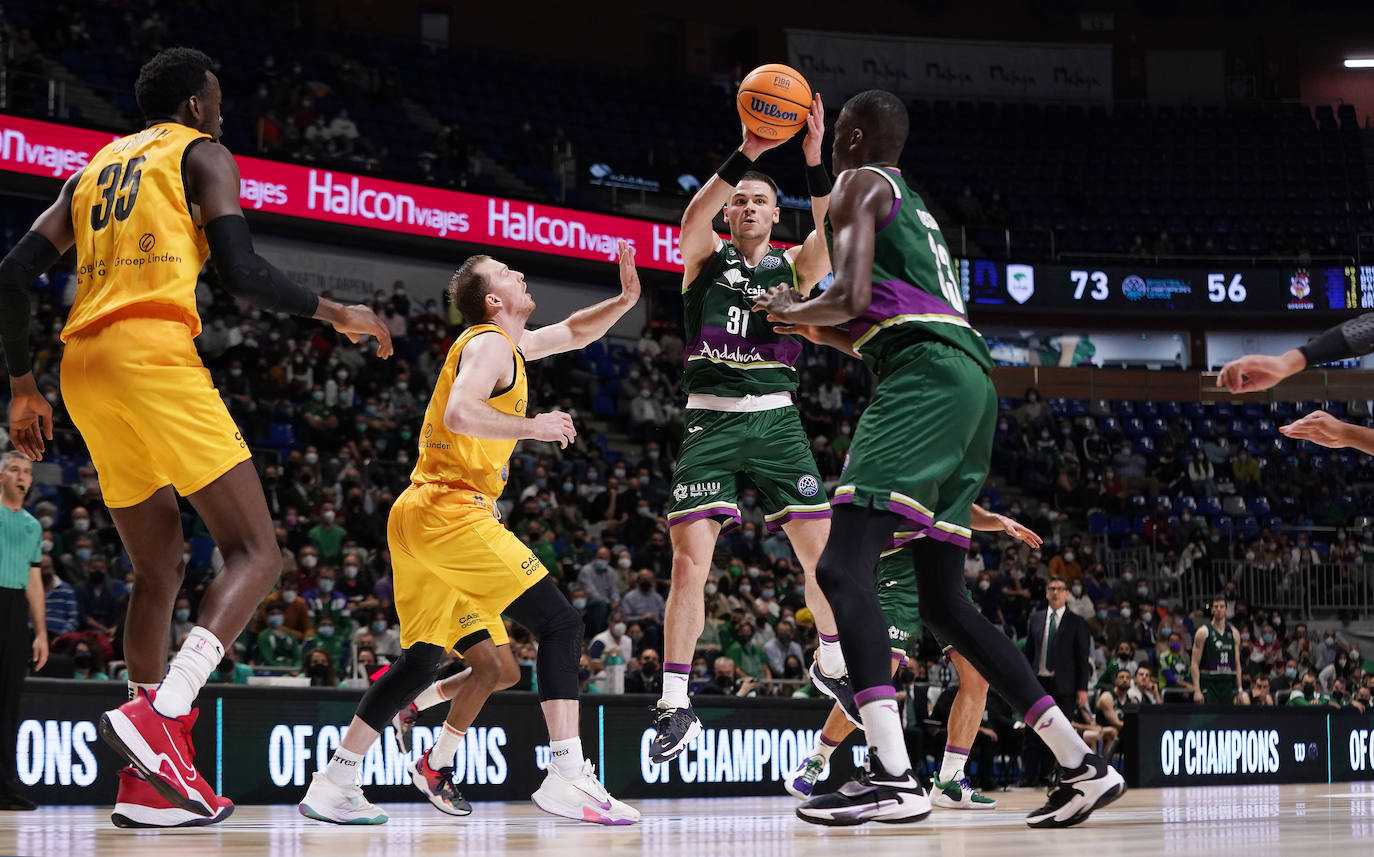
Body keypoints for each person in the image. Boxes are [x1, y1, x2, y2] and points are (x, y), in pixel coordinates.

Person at [0, 48, 392, 827]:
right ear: (192, 107)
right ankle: (164, 715)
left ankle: (149, 784)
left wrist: (19, 386)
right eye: (217, 101)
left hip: (82, 370)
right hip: (152, 356)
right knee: (258, 551)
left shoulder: (91, 170)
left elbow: (11, 275)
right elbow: (242, 273)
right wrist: (338, 312)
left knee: (160, 567)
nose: (224, 113)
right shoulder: (202, 154)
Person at [754, 89, 1123, 827]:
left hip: (921, 378)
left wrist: (795, 311)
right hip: (969, 382)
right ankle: (1080, 763)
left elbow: (848, 292)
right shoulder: (909, 206)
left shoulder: (862, 181)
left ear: (852, 136)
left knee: (838, 567)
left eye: (834, 145)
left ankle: (892, 775)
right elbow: (867, 315)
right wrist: (802, 323)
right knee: (943, 603)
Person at [299, 246, 642, 826]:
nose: (522, 275)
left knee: (419, 663)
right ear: (493, 300)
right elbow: (460, 412)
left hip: (418, 512)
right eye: (511, 275)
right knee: (559, 624)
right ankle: (566, 772)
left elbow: (572, 333)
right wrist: (535, 426)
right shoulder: (488, 343)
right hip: (452, 510)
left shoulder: (508, 346)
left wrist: (625, 300)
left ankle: (334, 782)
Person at [651, 95, 848, 764]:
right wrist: (750, 152)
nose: (751, 206)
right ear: (729, 211)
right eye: (742, 200)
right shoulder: (703, 261)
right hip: (710, 420)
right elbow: (688, 217)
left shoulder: (793, 267)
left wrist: (815, 161)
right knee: (688, 565)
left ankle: (830, 659)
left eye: (762, 200)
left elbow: (836, 236)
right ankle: (675, 705)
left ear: (775, 215)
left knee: (823, 558)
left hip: (777, 421)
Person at [783, 503, 1040, 810]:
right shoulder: (906, 463)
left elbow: (960, 506)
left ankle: (949, 780)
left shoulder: (949, 466)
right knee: (878, 673)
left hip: (947, 574)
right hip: (903, 566)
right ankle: (817, 758)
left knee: (976, 674)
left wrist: (998, 520)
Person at [0, 453, 47, 810]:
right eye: (14, 470)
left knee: (9, 702)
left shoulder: (33, 526)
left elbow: (34, 581)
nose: (22, 476)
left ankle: (4, 786)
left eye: (27, 472)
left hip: (16, 611)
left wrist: (41, 633)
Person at [1019, 576, 1092, 787]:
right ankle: (1027, 776)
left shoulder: (1077, 622)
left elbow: (1081, 658)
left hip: (1065, 686)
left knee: (1060, 733)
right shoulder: (1037, 618)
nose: (1056, 592)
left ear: (1067, 593)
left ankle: (1053, 776)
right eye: (1052, 588)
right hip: (1038, 683)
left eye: (1060, 589)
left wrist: (1082, 689)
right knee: (1032, 732)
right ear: (1046, 593)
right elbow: (1029, 654)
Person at [1191, 595, 1244, 705]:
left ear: (1226, 610)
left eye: (1221, 606)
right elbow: (1194, 663)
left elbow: (1237, 664)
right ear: (1212, 610)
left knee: (1227, 720)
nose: (1219, 609)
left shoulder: (1234, 633)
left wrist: (1240, 689)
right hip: (1209, 684)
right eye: (1216, 606)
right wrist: (1197, 690)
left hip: (1227, 685)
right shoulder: (1203, 632)